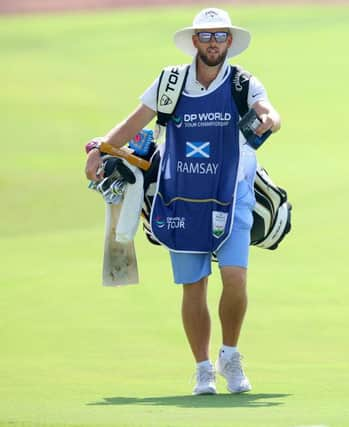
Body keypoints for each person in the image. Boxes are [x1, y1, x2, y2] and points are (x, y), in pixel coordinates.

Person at [84, 7, 281, 395]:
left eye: (220, 36)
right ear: (195, 41)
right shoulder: (170, 82)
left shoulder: (243, 82)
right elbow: (135, 121)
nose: (212, 43)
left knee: (235, 278)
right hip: (183, 196)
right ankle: (204, 368)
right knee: (194, 285)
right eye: (206, 36)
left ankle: (230, 354)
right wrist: (99, 147)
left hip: (231, 194)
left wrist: (271, 119)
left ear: (229, 42)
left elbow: (267, 110)